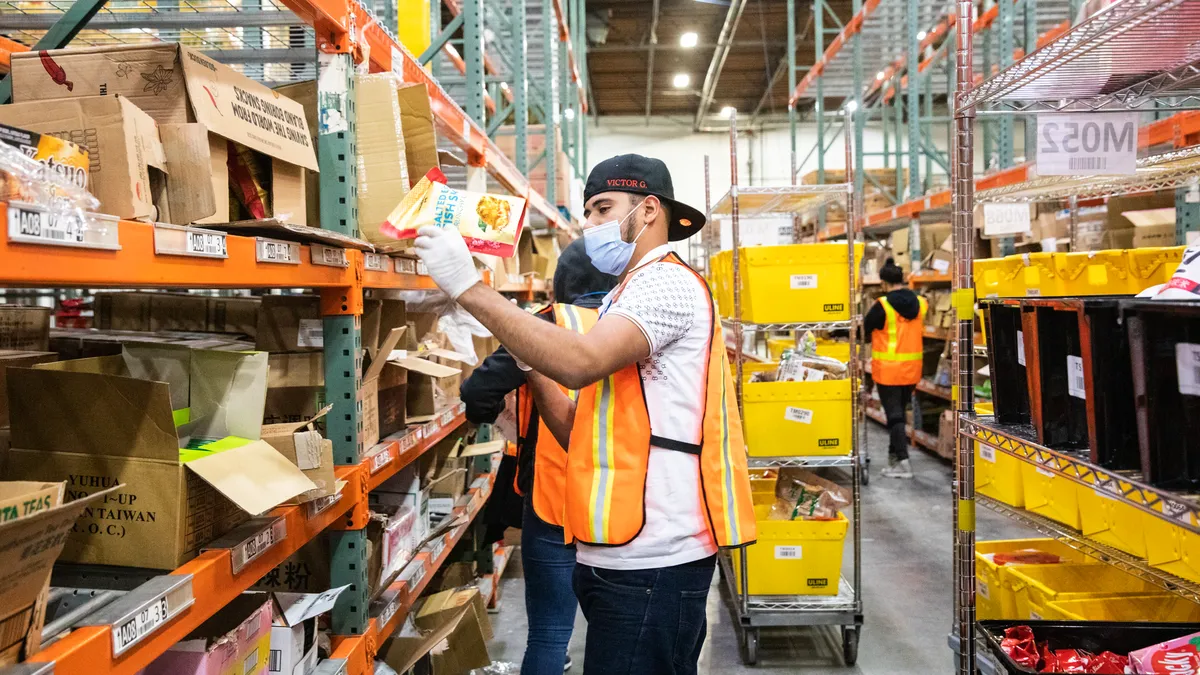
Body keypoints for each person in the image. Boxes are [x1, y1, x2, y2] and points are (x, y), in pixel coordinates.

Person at [412, 154, 757, 675]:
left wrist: (469, 287)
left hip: (657, 557)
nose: (588, 225)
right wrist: (528, 354)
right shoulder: (626, 291)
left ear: (647, 210)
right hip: (613, 549)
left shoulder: (667, 284)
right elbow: (581, 433)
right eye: (587, 211)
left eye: (602, 209)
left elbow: (581, 363)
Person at [462, 239, 617, 674]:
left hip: (552, 498)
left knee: (549, 632)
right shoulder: (631, 325)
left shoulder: (544, 325)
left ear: (560, 282)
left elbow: (477, 393)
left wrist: (496, 416)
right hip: (620, 502)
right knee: (620, 636)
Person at [863, 258, 927, 479]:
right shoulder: (920, 303)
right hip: (911, 370)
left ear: (883, 283)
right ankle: (894, 460)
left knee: (895, 416)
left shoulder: (883, 305)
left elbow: (865, 330)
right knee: (899, 413)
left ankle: (903, 462)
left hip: (889, 371)